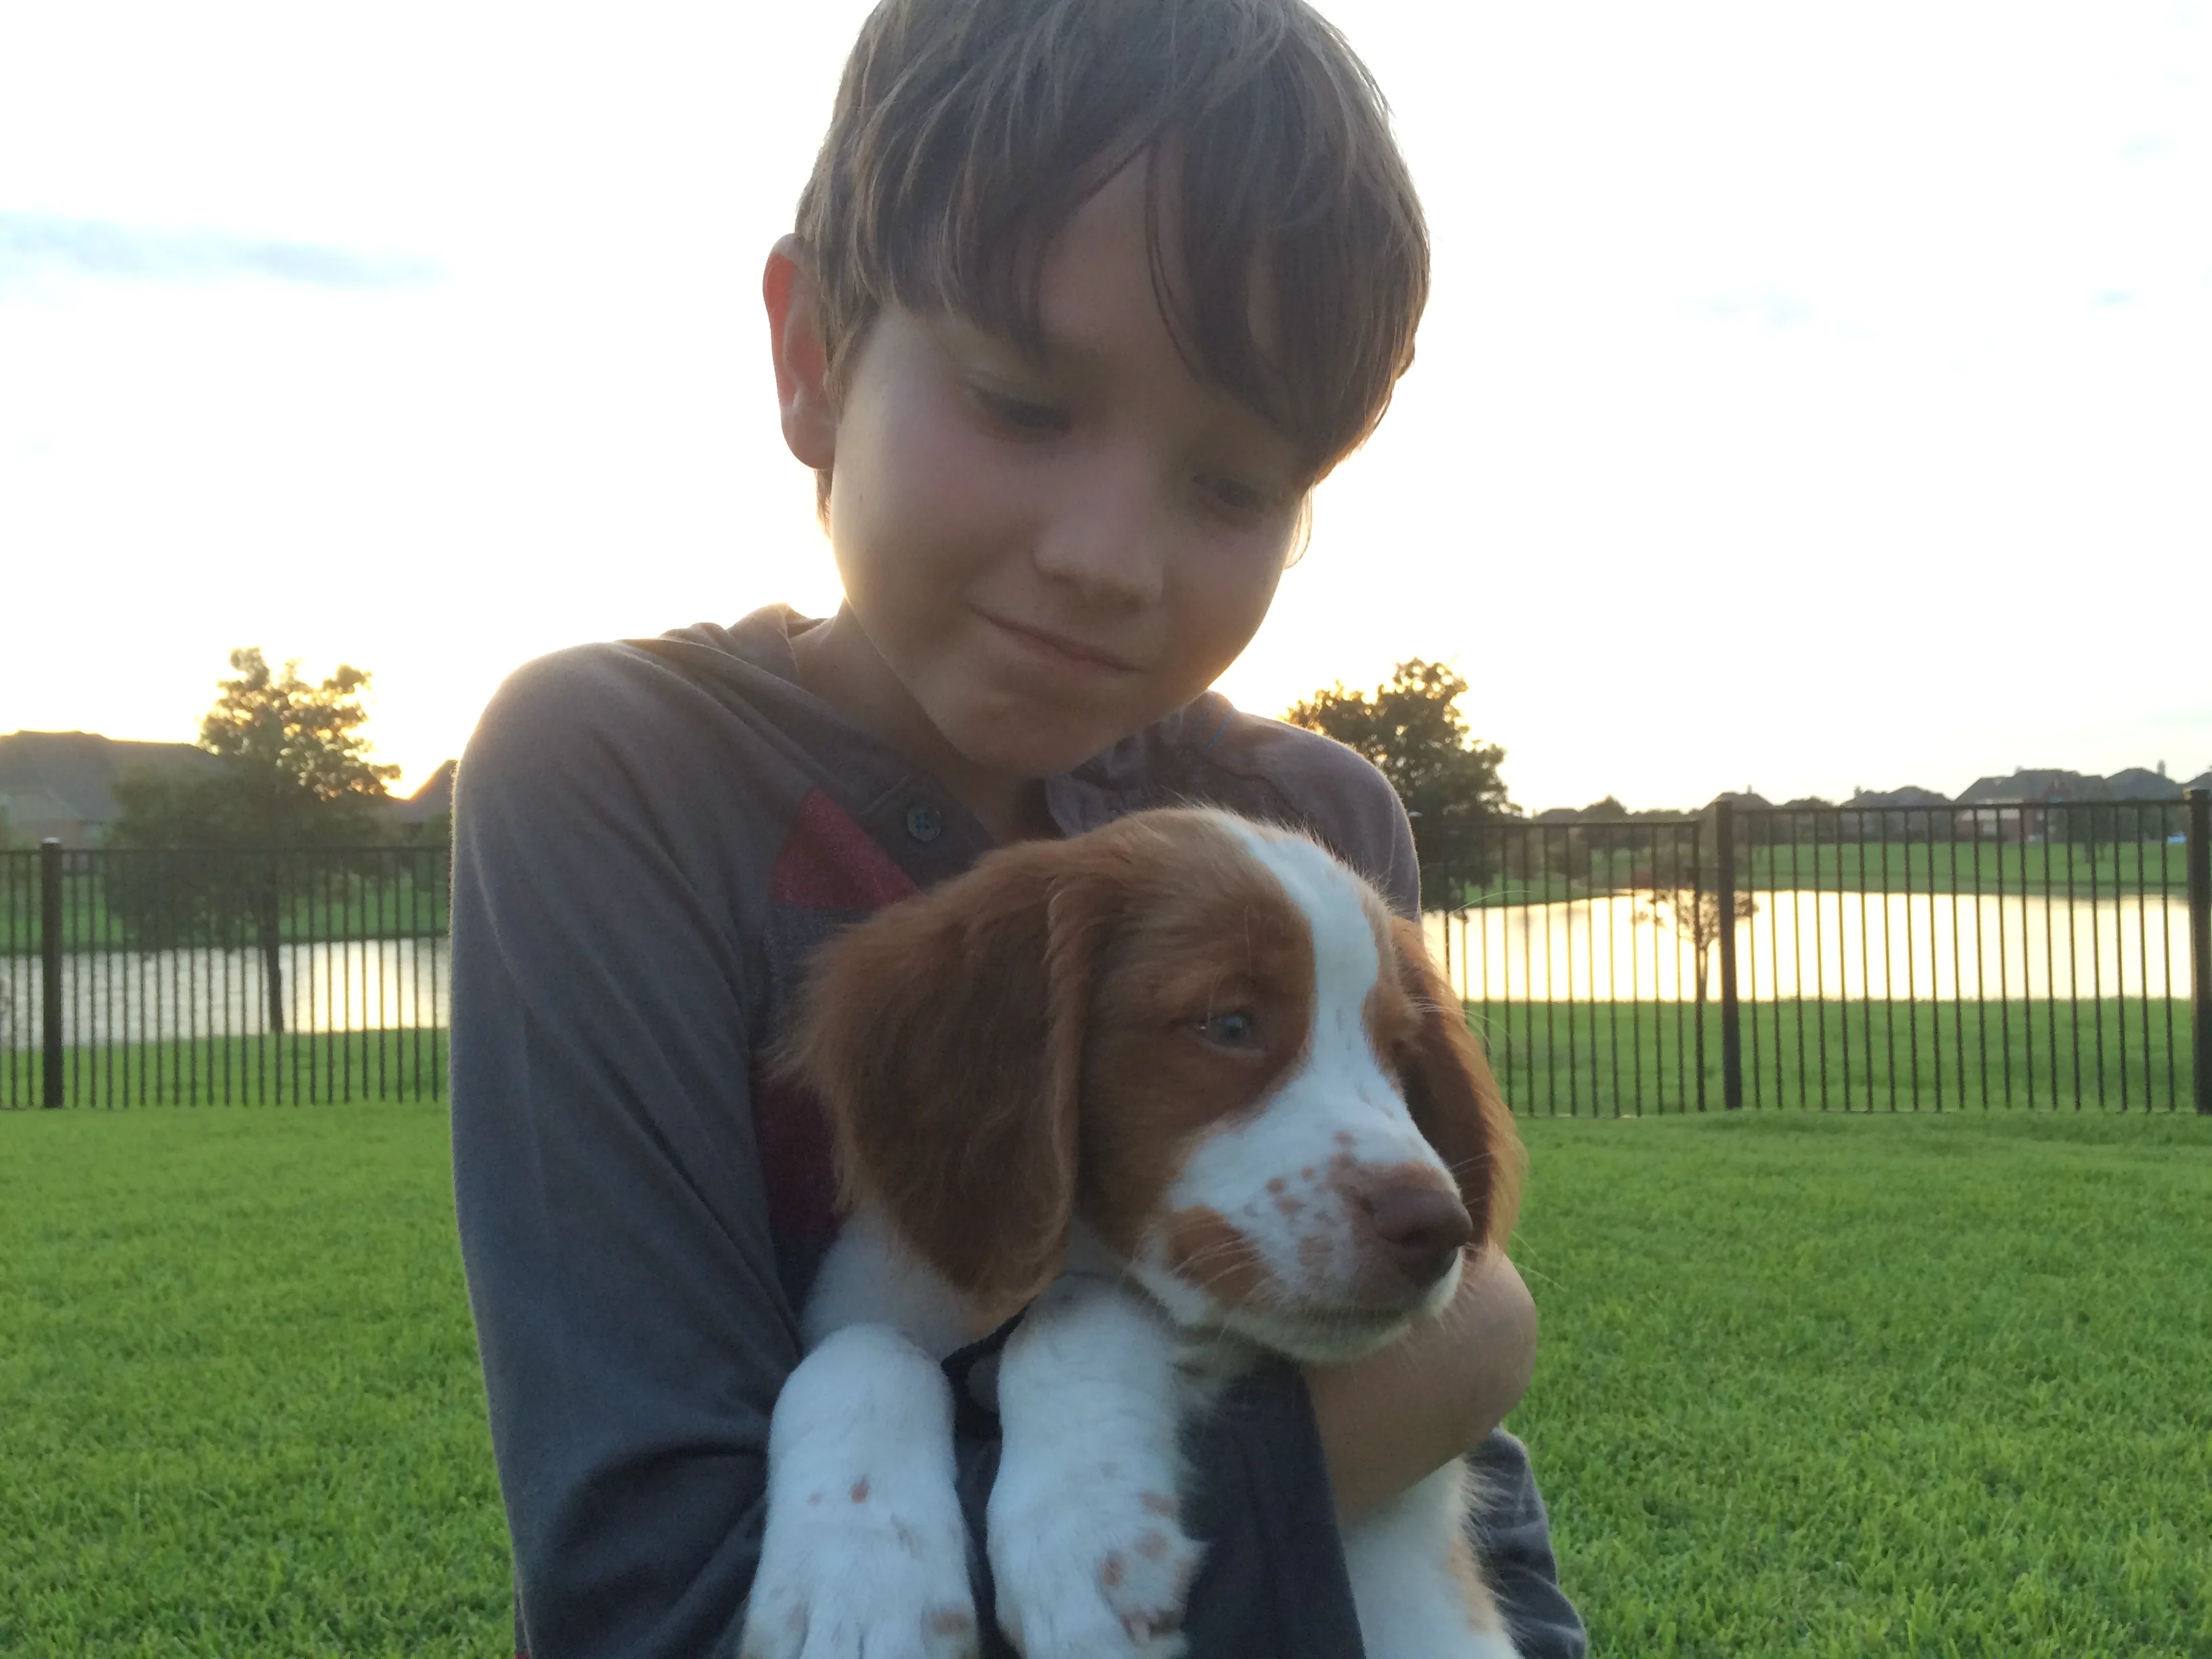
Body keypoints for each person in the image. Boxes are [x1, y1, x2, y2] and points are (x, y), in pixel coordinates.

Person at [449, 1, 1587, 1654]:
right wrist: (1455, 1361)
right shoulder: (619, 772)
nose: (1112, 556)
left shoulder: (1309, 824)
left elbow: (1475, 1541)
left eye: (1233, 484)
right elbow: (661, 1601)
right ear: (812, 360)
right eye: (1027, 404)